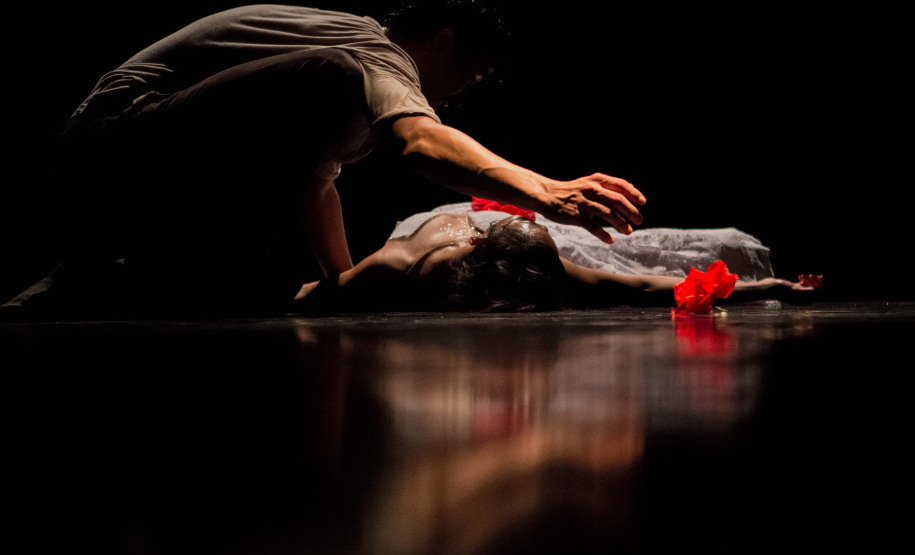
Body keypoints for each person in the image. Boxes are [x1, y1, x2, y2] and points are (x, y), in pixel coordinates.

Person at [9, 1, 647, 316]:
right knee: (331, 74)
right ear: (443, 42)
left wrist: (344, 288)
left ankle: (97, 273)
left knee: (326, 107)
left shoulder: (352, 77)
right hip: (108, 147)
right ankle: (124, 266)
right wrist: (548, 191)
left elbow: (316, 183)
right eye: (470, 77)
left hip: (112, 168)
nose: (461, 94)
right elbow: (420, 142)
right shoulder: (374, 52)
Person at [289, 206, 817, 313]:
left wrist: (773, 287)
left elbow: (639, 288)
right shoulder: (397, 263)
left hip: (496, 243)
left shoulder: (533, 263)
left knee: (635, 253)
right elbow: (323, 294)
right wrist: (314, 296)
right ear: (479, 243)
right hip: (450, 233)